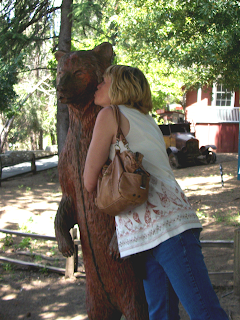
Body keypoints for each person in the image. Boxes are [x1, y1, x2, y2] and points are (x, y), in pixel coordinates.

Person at [83, 65, 229, 320]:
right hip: (154, 230)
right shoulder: (146, 120)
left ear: (118, 86)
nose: (97, 85)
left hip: (165, 229)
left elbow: (88, 180)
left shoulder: (109, 115)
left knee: (203, 313)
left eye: (103, 81)